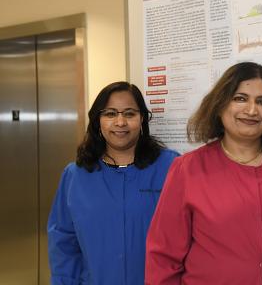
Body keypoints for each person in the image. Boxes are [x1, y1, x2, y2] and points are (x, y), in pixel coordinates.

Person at [145, 62, 262, 284]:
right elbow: (163, 257)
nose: (252, 110)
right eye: (240, 98)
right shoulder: (188, 169)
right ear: (220, 104)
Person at [47, 81, 179, 285]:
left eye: (129, 113)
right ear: (97, 120)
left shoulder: (171, 167)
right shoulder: (75, 175)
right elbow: (63, 242)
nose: (120, 122)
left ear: (142, 119)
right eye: (110, 114)